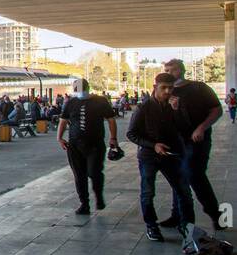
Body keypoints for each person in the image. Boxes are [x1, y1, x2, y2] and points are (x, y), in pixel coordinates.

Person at [127, 74, 194, 242]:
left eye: (170, 88)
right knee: (148, 191)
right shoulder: (143, 108)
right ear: (155, 87)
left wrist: (178, 111)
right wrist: (153, 145)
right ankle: (151, 225)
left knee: (183, 190)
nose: (167, 91)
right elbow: (132, 134)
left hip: (172, 154)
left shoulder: (176, 105)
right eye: (163, 87)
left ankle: (187, 225)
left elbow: (186, 129)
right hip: (149, 156)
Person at [161, 58, 225, 231]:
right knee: (178, 176)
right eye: (165, 70)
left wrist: (202, 127)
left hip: (197, 140)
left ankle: (215, 214)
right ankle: (178, 215)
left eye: (171, 70)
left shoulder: (199, 88)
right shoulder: (166, 92)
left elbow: (216, 110)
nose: (168, 73)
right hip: (176, 141)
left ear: (181, 70)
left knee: (194, 174)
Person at [57, 78, 119, 215]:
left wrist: (113, 138)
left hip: (95, 144)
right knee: (79, 176)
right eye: (77, 89)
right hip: (74, 145)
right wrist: (59, 138)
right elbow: (63, 120)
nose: (79, 92)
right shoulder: (70, 103)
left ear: (87, 88)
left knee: (94, 172)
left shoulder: (100, 101)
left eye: (81, 89)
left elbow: (111, 120)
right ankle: (84, 203)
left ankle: (98, 196)